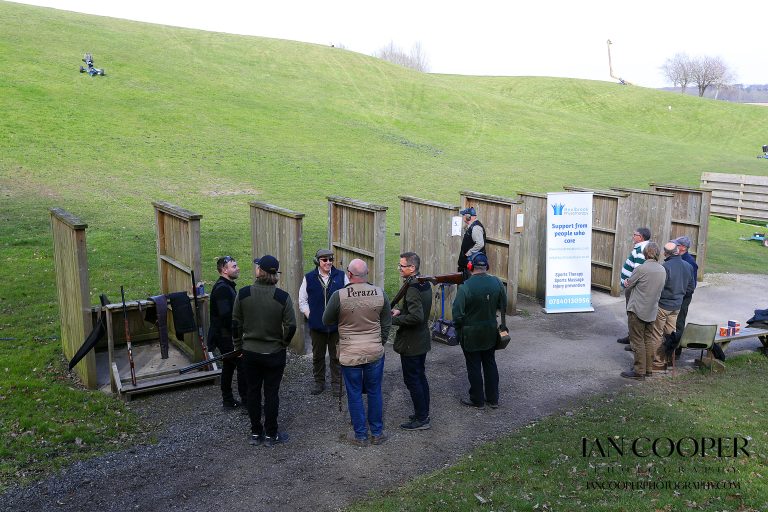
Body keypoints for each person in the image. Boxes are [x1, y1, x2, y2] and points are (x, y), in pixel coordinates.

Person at [322, 259, 392, 447]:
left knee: (353, 393)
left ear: (349, 274)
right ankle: (377, 433)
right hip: (374, 351)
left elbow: (326, 319)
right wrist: (380, 341)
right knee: (374, 391)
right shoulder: (380, 293)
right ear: (366, 273)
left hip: (350, 352)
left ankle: (360, 435)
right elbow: (386, 323)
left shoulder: (339, 295)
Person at [233, 255, 297, 447]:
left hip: (250, 352)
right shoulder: (282, 297)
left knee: (253, 392)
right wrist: (283, 343)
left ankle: (255, 432)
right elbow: (291, 326)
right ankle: (271, 434)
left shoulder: (243, 293)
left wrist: (238, 347)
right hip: (274, 353)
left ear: (260, 271)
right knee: (271, 393)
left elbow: (236, 324)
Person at [452, 253, 507, 409]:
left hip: (470, 334)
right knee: (490, 363)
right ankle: (493, 399)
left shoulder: (465, 287)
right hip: (490, 331)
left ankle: (477, 400)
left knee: (474, 366)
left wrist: (458, 330)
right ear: (487, 266)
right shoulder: (497, 282)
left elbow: (457, 314)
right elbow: (503, 304)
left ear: (470, 267)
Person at [391, 252, 433, 431]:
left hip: (412, 341)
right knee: (420, 377)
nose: (399, 268)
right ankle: (422, 413)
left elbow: (416, 316)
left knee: (413, 380)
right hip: (420, 339)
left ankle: (421, 418)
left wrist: (393, 320)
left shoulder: (413, 288)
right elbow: (417, 310)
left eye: (402, 266)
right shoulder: (423, 283)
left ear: (412, 268)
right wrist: (402, 312)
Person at [299, 248, 348, 396]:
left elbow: (348, 297)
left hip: (336, 327)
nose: (328, 262)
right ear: (317, 261)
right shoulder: (308, 278)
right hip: (317, 327)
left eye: (330, 260)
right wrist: (311, 316)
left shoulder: (341, 276)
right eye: (324, 260)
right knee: (318, 356)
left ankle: (336, 384)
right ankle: (319, 383)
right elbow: (302, 301)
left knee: (337, 356)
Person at [620, 243, 666, 379]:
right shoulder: (662, 270)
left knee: (637, 340)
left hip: (638, 309)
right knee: (648, 339)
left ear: (646, 254)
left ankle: (639, 371)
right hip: (652, 310)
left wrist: (628, 282)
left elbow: (628, 284)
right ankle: (649, 369)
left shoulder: (641, 269)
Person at [208, 255, 247, 409]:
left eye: (236, 265)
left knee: (229, 367)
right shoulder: (223, 289)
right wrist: (238, 335)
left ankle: (228, 400)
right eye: (234, 266)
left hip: (226, 336)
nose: (237, 268)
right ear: (224, 270)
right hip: (226, 337)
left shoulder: (227, 286)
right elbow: (226, 317)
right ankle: (247, 402)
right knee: (243, 367)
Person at [650, 242, 694, 371]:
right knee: (671, 333)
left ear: (665, 253)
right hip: (677, 306)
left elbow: (659, 288)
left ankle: (658, 363)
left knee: (657, 333)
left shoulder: (665, 267)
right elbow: (690, 288)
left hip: (664, 305)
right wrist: (679, 296)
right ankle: (669, 360)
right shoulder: (688, 266)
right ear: (677, 251)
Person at [617, 227, 651, 346]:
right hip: (631, 285)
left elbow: (638, 270)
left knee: (632, 314)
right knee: (630, 314)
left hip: (633, 288)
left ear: (641, 237)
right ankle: (631, 336)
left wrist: (629, 282)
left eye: (635, 234)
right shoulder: (641, 247)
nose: (633, 236)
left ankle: (634, 341)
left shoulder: (642, 249)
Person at [672, 236, 698, 339]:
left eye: (676, 245)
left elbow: (692, 285)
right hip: (674, 296)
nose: (674, 246)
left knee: (679, 322)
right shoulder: (676, 257)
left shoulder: (690, 262)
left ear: (683, 247)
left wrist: (680, 293)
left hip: (683, 297)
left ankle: (677, 349)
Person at [456, 207, 486, 280]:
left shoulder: (476, 228)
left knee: (468, 284)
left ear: (468, 217)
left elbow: (480, 244)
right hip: (467, 264)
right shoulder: (472, 226)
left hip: (471, 264)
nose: (463, 217)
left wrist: (468, 253)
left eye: (464, 215)